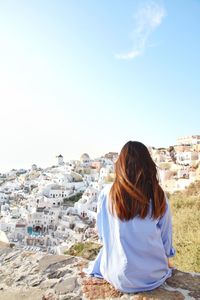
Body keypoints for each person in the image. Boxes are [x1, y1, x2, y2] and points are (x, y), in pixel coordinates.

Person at [85, 141, 175, 293]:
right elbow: (166, 237)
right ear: (148, 165)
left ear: (120, 165)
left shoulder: (107, 194)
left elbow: (101, 235)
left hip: (116, 275)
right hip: (152, 277)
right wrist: (167, 259)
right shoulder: (158, 195)